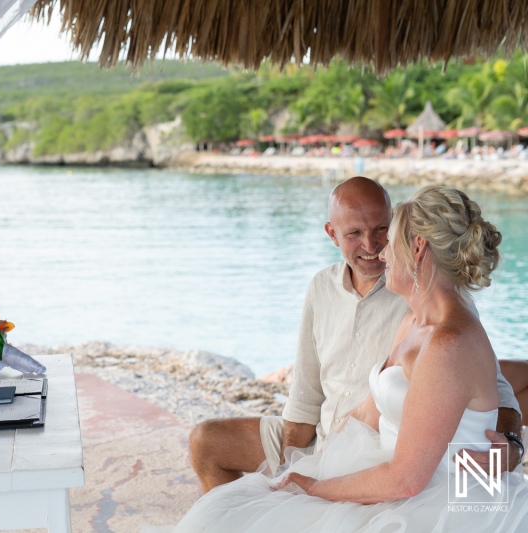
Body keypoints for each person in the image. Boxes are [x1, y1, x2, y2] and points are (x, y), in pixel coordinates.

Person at [166, 185, 528, 531]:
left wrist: (509, 447)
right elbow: (324, 398)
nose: (378, 249)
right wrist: (307, 467)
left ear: (417, 247)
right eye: (354, 232)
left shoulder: (447, 334)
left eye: (386, 236)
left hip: (424, 490)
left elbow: (408, 477)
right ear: (333, 233)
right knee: (226, 485)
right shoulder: (406, 314)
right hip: (345, 444)